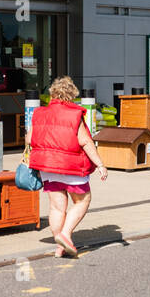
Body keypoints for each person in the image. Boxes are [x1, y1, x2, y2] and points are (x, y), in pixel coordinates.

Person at [28, 75, 108, 257]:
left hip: (47, 167)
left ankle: (60, 247)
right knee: (82, 200)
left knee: (57, 207)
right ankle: (65, 234)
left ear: (53, 94)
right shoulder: (74, 114)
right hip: (72, 167)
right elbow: (86, 142)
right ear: (72, 95)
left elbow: (29, 139)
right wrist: (100, 164)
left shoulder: (39, 113)